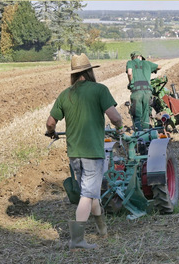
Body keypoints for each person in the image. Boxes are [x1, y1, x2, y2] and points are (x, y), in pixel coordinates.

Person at [46, 55, 124, 249]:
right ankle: (77, 240)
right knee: (88, 195)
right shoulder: (99, 90)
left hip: (74, 153)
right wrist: (120, 127)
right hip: (93, 151)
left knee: (91, 191)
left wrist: (51, 133)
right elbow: (114, 116)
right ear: (90, 71)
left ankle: (102, 230)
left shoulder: (66, 95)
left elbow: (50, 122)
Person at [125, 51, 158, 130]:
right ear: (140, 57)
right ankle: (146, 130)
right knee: (146, 112)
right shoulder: (147, 63)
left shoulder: (130, 62)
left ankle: (139, 132)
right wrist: (150, 69)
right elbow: (159, 67)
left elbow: (129, 73)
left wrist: (131, 82)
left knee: (137, 112)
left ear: (133, 57)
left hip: (137, 92)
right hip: (148, 91)